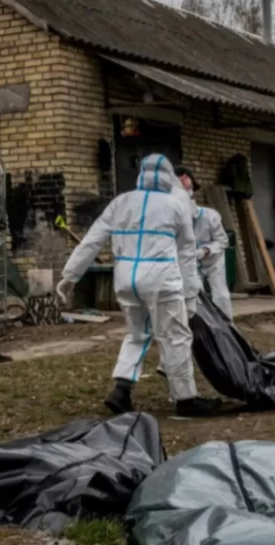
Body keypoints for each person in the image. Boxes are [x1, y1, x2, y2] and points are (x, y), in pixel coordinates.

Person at [54, 154, 223, 417]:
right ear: (169, 177)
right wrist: (190, 291)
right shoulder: (175, 205)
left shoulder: (120, 202)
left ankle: (121, 391)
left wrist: (70, 276)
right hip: (162, 280)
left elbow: (91, 241)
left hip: (126, 280)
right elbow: (187, 252)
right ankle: (186, 399)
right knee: (176, 336)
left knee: (136, 335)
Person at [176, 166, 232, 319]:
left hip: (213, 261)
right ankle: (204, 327)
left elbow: (223, 241)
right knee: (196, 293)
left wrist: (206, 250)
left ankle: (227, 325)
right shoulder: (174, 220)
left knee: (221, 295)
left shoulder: (209, 216)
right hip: (191, 262)